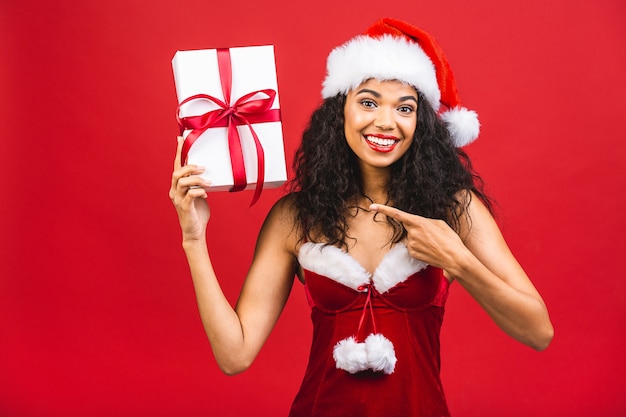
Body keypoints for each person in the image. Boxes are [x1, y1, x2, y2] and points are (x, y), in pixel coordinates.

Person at [169, 17, 554, 417]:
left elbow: (538, 331)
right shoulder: (295, 217)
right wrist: (193, 240)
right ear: (341, 111)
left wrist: (457, 259)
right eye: (368, 102)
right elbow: (235, 355)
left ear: (420, 123)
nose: (386, 121)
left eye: (404, 108)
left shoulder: (453, 210)